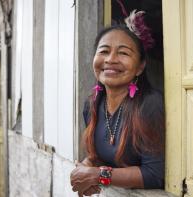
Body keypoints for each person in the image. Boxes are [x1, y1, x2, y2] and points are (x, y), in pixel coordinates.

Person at [70, 9, 165, 197]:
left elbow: (154, 174)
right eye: (104, 51)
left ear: (140, 67)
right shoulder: (92, 105)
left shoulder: (149, 104)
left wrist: (98, 176)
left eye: (123, 53)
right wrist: (87, 165)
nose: (111, 59)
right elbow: (101, 156)